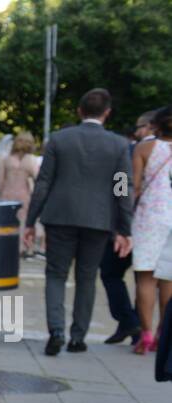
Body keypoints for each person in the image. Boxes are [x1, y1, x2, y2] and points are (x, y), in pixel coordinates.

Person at [24, 88, 134, 355]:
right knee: (87, 277)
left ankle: (56, 331)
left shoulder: (59, 140)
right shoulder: (119, 145)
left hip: (59, 217)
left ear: (79, 111)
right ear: (107, 113)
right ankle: (77, 337)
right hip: (99, 220)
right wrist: (123, 227)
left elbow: (43, 183)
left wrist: (30, 221)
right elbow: (122, 187)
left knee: (55, 274)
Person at [101, 111, 156, 345]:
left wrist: (120, 221)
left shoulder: (134, 150)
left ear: (150, 127)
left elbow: (121, 186)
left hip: (131, 221)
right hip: (160, 224)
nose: (136, 131)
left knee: (111, 272)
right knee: (149, 279)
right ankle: (142, 329)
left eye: (139, 127)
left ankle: (130, 322)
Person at [129, 105, 172, 354]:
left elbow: (128, 185)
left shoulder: (143, 148)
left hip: (148, 219)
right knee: (168, 281)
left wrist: (118, 204)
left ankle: (144, 335)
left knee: (145, 279)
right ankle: (162, 335)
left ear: (155, 126)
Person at [0, 132, 40, 257]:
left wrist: (1, 195)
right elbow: (38, 178)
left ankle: (7, 247)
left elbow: (1, 180)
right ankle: (24, 247)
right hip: (24, 194)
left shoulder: (5, 158)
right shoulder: (32, 160)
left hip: (7, 194)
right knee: (23, 222)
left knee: (8, 222)